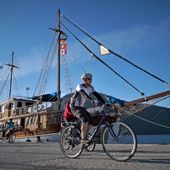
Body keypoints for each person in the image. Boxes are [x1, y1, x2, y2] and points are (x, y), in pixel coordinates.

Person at [70, 73, 105, 145]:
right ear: (84, 79)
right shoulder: (79, 86)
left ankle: (84, 134)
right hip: (74, 106)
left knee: (91, 122)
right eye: (88, 79)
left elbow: (97, 95)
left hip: (81, 108)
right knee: (85, 120)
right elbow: (83, 93)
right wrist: (91, 100)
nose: (90, 80)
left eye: (91, 79)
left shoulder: (91, 87)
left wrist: (104, 103)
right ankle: (83, 139)